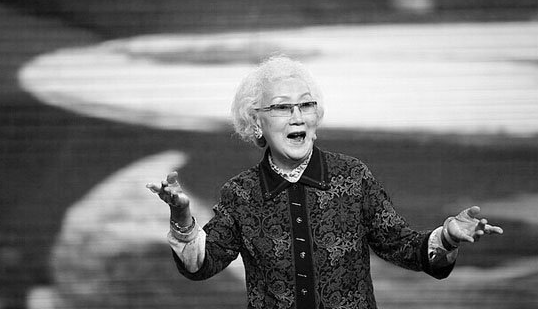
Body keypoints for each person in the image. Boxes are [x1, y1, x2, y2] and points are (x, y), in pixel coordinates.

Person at [146, 55, 503, 309]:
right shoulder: (241, 193)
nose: (297, 116)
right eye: (282, 107)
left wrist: (447, 237)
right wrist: (182, 218)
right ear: (256, 124)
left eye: (306, 106)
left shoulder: (353, 177)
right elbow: (201, 265)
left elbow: (402, 246)